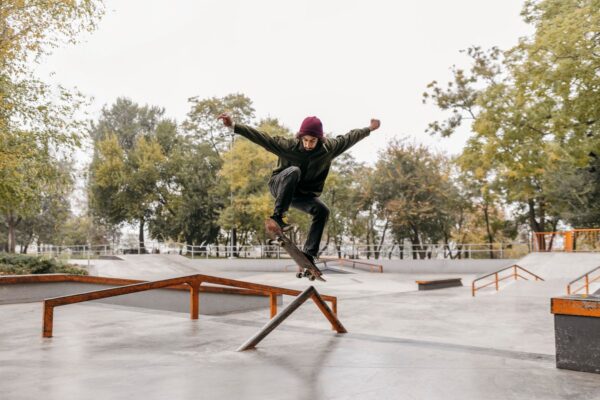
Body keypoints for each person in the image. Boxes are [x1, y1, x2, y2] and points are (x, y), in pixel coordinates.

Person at [217, 113, 381, 264]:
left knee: (322, 211)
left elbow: (350, 138)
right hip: (280, 186)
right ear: (301, 137)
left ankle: (309, 255)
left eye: (313, 141)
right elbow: (262, 138)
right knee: (294, 171)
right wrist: (234, 126)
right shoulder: (288, 146)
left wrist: (369, 129)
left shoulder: (329, 149)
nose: (309, 144)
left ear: (319, 139)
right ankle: (277, 217)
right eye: (306, 140)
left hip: (301, 196)